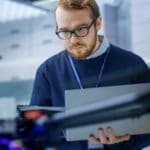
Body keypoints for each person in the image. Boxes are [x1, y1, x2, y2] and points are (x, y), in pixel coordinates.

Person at [30, 0, 150, 149]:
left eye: (81, 29)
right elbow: (34, 132)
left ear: (98, 23)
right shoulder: (47, 71)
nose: (74, 39)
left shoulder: (133, 64)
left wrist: (122, 141)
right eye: (65, 31)